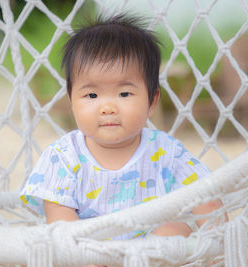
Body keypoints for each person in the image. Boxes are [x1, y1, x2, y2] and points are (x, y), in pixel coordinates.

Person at [20, 14, 223, 241]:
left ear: (152, 101)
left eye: (124, 93)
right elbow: (59, 217)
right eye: (92, 95)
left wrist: (219, 246)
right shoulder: (63, 156)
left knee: (176, 227)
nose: (107, 107)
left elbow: (206, 196)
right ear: (71, 101)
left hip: (150, 251)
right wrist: (83, 255)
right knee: (61, 238)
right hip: (89, 250)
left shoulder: (167, 152)